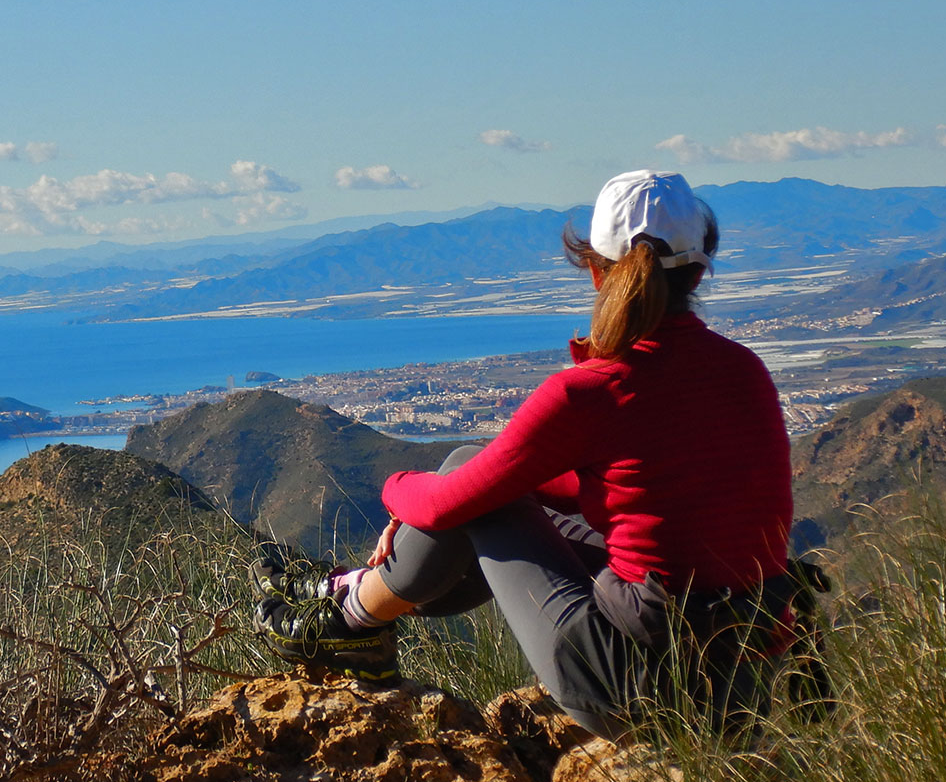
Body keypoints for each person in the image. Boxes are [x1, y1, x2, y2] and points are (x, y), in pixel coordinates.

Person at [254, 169, 798, 739]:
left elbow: (443, 506)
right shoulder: (746, 372)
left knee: (466, 471)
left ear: (595, 270)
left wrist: (396, 489)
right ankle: (352, 610)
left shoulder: (593, 390)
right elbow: (642, 492)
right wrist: (514, 483)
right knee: (487, 481)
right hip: (743, 688)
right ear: (700, 267)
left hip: (632, 689)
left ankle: (346, 619)